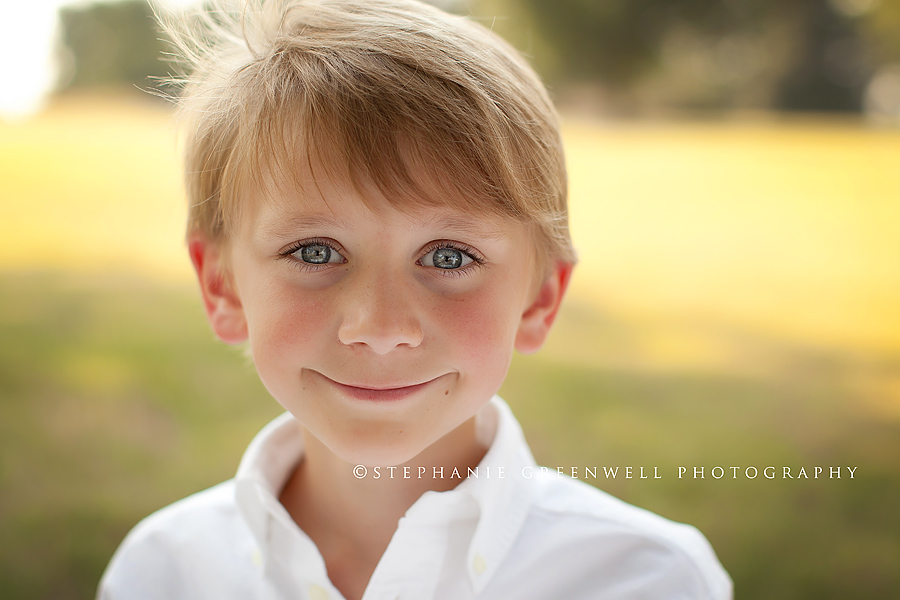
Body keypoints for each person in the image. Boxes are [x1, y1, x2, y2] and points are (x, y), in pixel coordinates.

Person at [98, 0, 732, 598]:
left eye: (449, 257)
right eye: (316, 252)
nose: (379, 328)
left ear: (540, 299)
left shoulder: (648, 580)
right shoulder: (163, 571)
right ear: (222, 285)